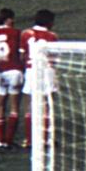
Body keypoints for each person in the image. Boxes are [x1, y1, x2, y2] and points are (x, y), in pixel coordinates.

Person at [21, 9, 59, 147]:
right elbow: (55, 58)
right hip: (48, 71)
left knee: (30, 106)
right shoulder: (52, 36)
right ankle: (47, 138)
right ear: (49, 22)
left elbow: (22, 55)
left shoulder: (26, 34)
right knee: (48, 106)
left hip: (31, 70)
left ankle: (29, 140)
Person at [0, 8, 23, 148]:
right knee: (14, 107)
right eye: (12, 19)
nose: (13, 21)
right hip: (14, 70)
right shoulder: (16, 33)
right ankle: (9, 139)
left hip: (0, 72)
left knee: (0, 105)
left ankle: (1, 140)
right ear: (7, 19)